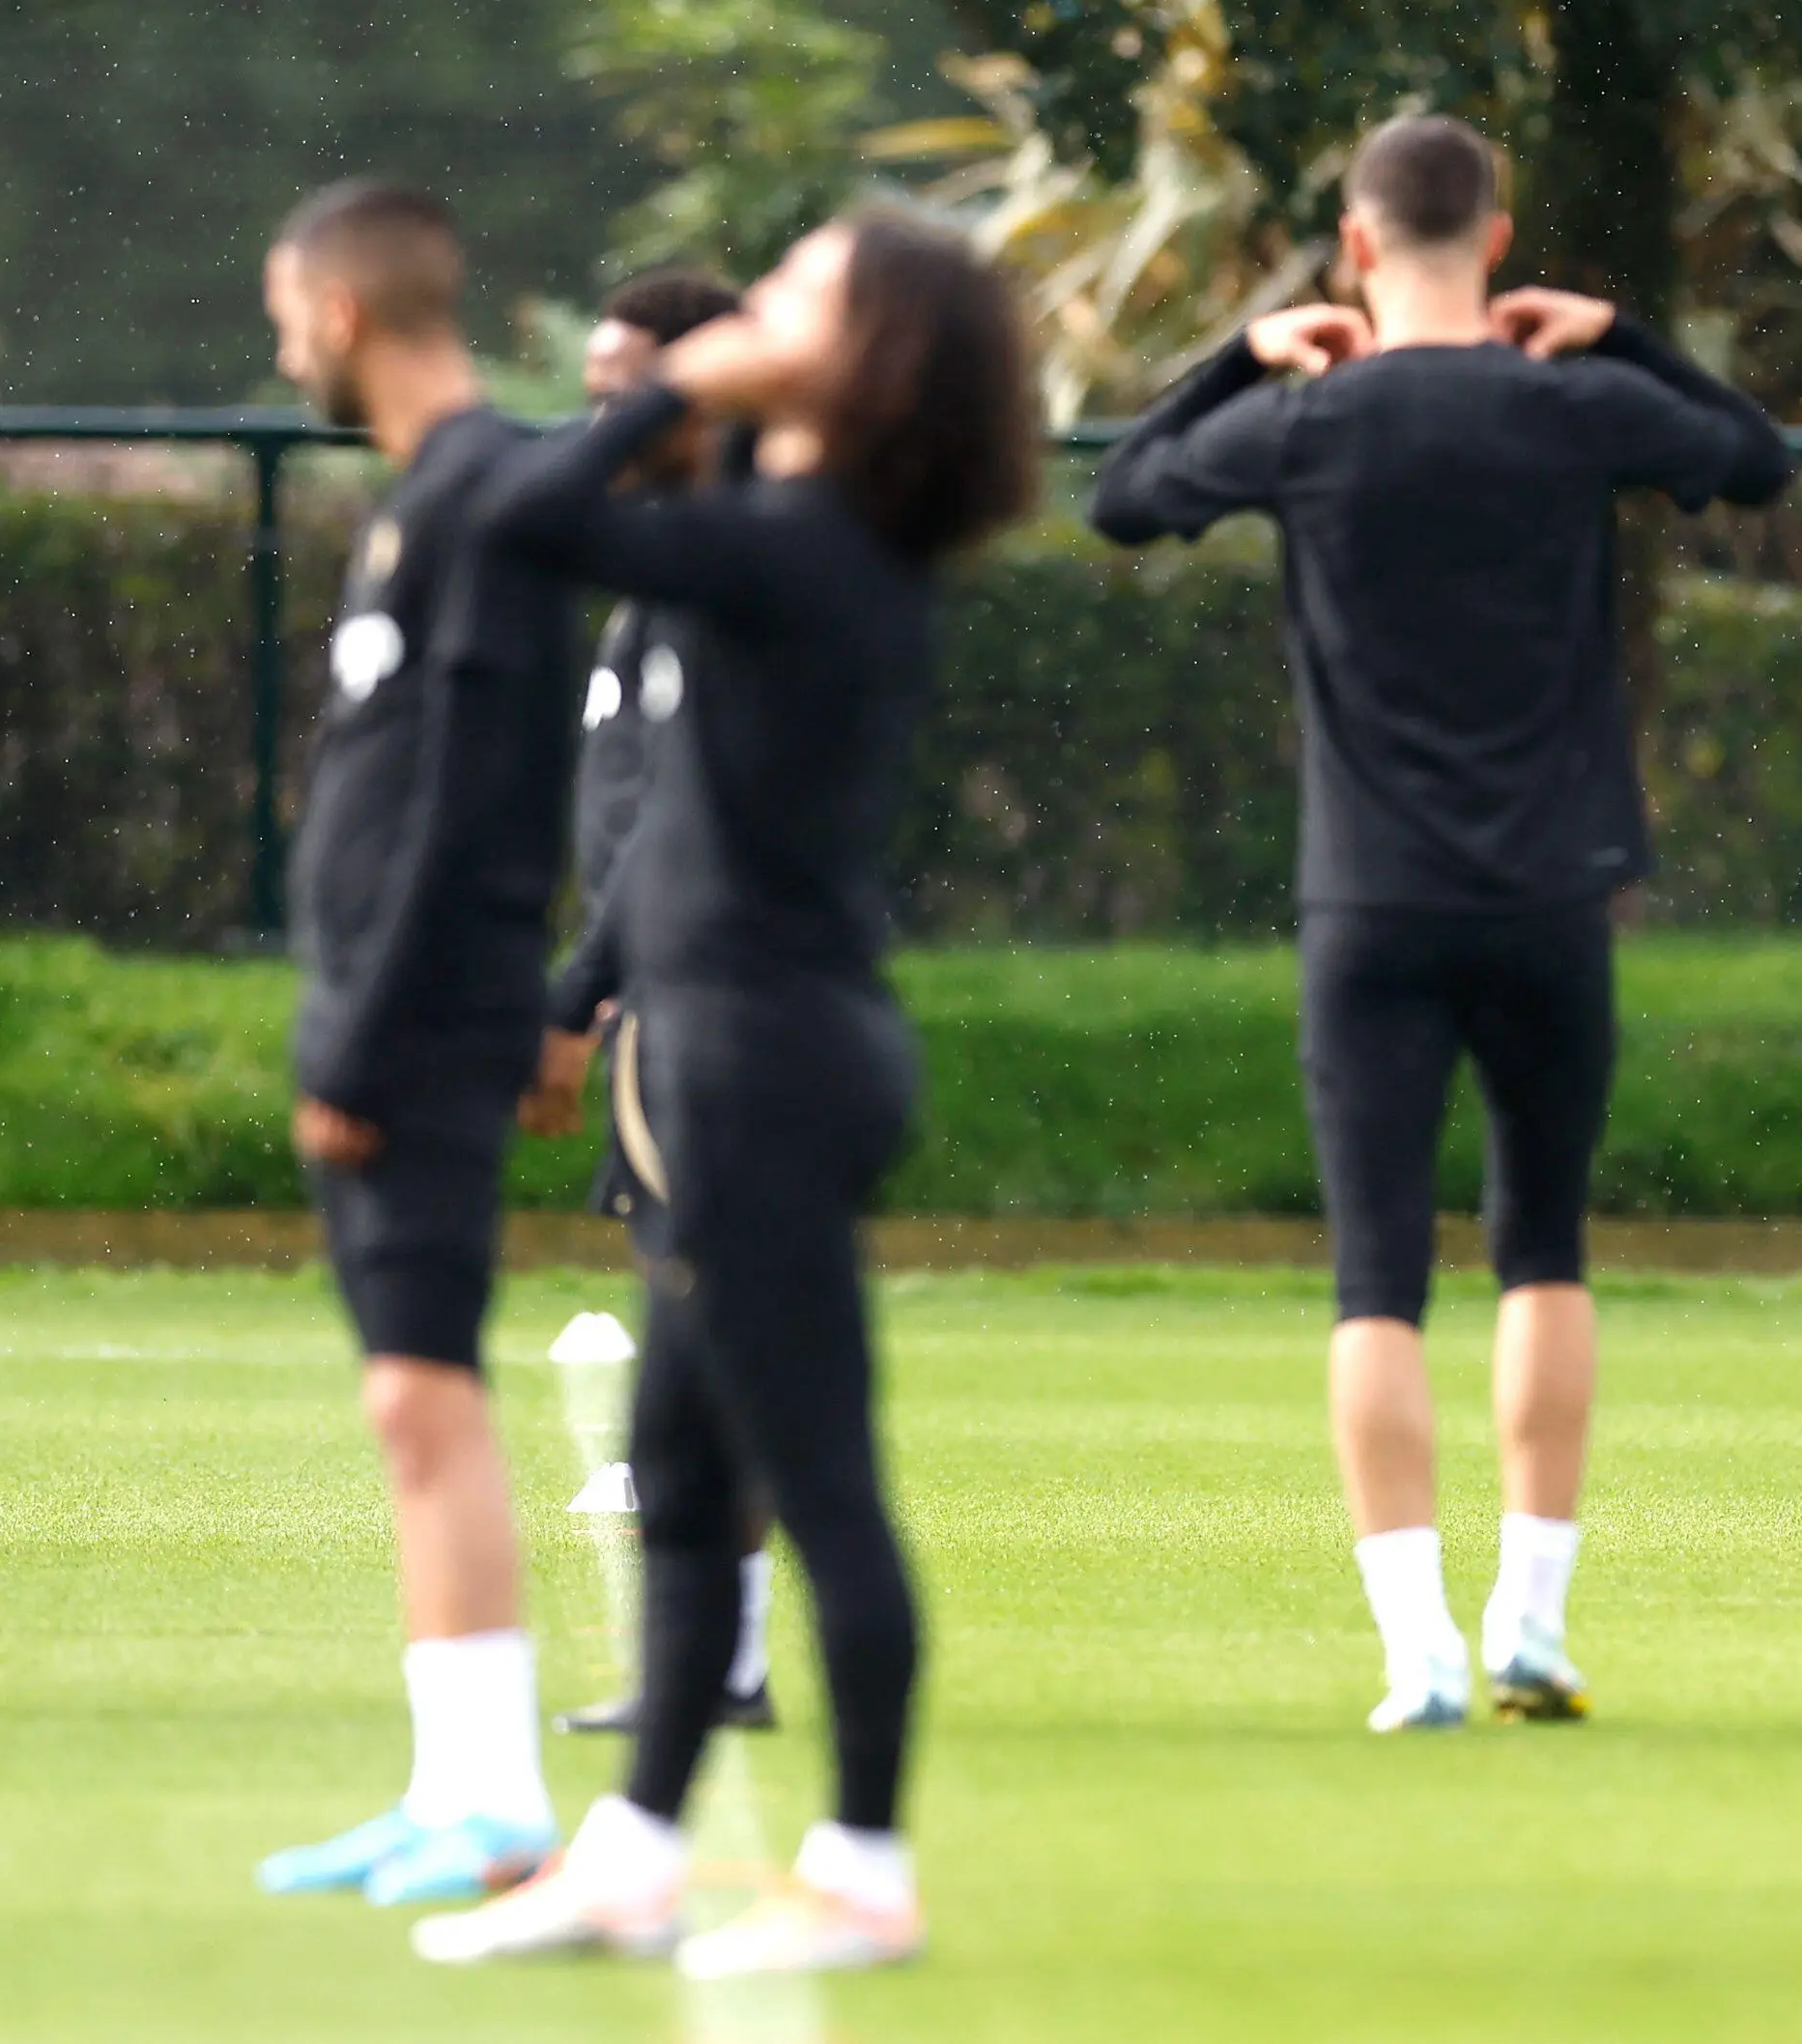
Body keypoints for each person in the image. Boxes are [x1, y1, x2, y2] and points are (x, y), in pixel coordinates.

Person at [1089, 114, 1793, 1733]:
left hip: (1371, 901)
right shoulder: (1571, 407)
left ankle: (1415, 1652)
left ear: (1351, 245)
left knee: (1376, 1277)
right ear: (1493, 241)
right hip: (1550, 895)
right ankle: (1529, 1622)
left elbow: (1123, 500)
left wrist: (1235, 362)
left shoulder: (1310, 423)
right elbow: (1754, 460)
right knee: (1542, 1247)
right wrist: (1623, 335)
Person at [410, 210, 1034, 1975]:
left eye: (801, 296)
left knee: (819, 1480)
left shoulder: (811, 549)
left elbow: (524, 519)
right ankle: (634, 1853)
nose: (759, 311)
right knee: (684, 1480)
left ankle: (863, 1867)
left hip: (768, 1066)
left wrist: (677, 380)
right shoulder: (781, 532)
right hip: (723, 1051)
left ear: (870, 362)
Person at [249, 181, 581, 1908]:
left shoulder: (481, 498)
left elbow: (474, 807)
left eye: (286, 311)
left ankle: (500, 1804)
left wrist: (367, 1043)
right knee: (407, 1402)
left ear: (346, 311)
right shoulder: (417, 504)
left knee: (425, 1395)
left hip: (422, 1029)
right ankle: (449, 1782)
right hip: (396, 1018)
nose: (280, 342)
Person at [520, 267, 783, 1744]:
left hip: (701, 993)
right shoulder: (658, 573)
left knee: (721, 1333)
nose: (598, 408)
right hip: (653, 992)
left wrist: (585, 982)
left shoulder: (727, 570)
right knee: (692, 1313)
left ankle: (728, 1665)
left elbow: (680, 825)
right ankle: (717, 1663)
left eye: (627, 381)